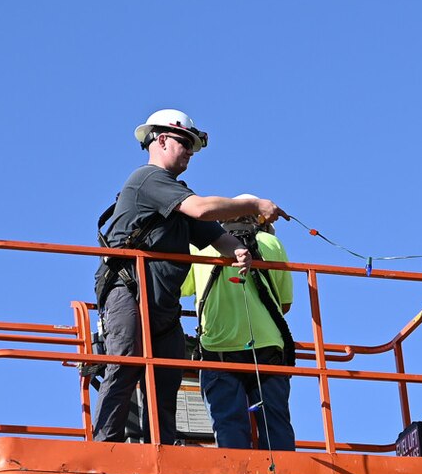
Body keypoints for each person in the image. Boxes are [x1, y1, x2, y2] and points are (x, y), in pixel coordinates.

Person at [93, 110, 282, 444]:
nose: (190, 152)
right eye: (185, 142)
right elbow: (201, 210)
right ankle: (103, 452)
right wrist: (251, 203)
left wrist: (237, 250)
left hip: (161, 303)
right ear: (161, 140)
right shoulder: (147, 179)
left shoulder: (175, 195)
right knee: (124, 364)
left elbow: (215, 235)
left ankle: (162, 454)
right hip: (129, 291)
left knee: (166, 379)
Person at [183, 217, 297, 450]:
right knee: (276, 425)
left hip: (219, 348)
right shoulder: (271, 242)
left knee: (229, 426)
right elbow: (284, 303)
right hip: (268, 348)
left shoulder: (200, 244)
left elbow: (182, 288)